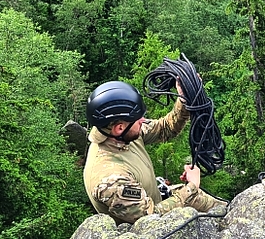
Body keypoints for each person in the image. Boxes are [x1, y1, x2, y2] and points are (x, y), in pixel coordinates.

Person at [83, 80, 225, 224]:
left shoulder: (121, 135)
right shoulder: (111, 180)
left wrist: (184, 99)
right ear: (119, 128)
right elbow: (150, 217)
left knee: (227, 210)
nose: (143, 120)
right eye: (137, 118)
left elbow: (164, 128)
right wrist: (192, 186)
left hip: (157, 202)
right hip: (146, 229)